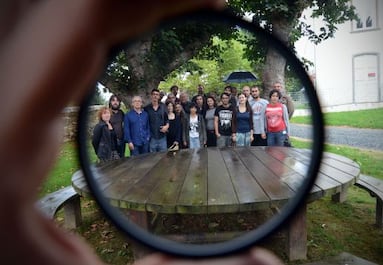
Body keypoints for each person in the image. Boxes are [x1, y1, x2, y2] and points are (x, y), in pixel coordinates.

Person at [0, 0, 284, 264]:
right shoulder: (153, 110)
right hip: (154, 141)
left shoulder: (176, 110)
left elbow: (182, 122)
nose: (202, 100)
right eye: (134, 101)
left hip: (178, 138)